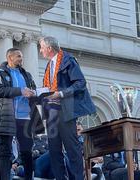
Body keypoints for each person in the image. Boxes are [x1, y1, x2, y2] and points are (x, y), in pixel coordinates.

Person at [39, 36, 96, 180]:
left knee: (72, 148)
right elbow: (49, 86)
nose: (40, 51)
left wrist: (62, 93)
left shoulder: (68, 60)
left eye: (42, 47)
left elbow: (80, 82)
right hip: (51, 111)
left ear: (49, 48)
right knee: (54, 150)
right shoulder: (49, 65)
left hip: (66, 109)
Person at [0, 47, 44, 180]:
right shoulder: (0, 72)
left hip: (25, 118)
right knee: (5, 153)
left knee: (27, 152)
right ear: (10, 57)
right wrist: (21, 91)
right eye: (19, 56)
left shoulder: (27, 75)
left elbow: (32, 90)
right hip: (7, 118)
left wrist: (36, 94)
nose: (22, 59)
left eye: (21, 56)